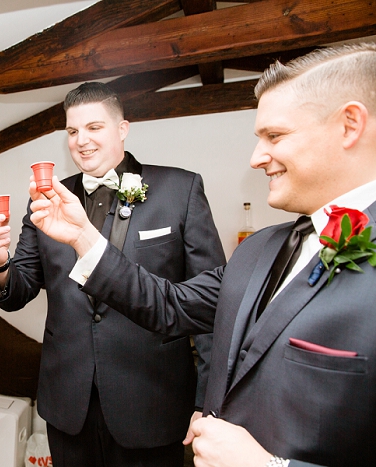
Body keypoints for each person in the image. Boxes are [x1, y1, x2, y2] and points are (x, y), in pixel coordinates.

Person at [27, 43, 376, 466]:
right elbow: (168, 306)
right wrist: (84, 238)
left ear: (350, 125)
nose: (255, 158)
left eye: (275, 136)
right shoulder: (258, 252)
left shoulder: (179, 189)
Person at [0, 82, 226, 466]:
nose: (82, 141)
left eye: (94, 128)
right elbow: (17, 291)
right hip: (67, 405)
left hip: (153, 401)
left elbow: (210, 308)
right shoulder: (47, 200)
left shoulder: (181, 189)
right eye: (73, 131)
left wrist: (207, 403)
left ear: (122, 128)